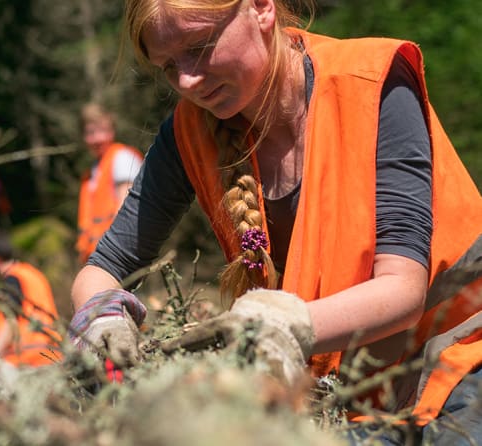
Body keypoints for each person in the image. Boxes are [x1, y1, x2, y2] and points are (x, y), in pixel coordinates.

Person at [68, 0, 482, 443]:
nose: (187, 80)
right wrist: (102, 314)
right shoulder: (189, 133)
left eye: (201, 46)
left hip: (460, 351)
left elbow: (403, 290)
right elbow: (106, 265)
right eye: (168, 66)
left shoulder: (369, 81)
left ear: (262, 9)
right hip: (356, 393)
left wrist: (279, 323)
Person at [0, 225, 62, 396]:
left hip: (24, 361)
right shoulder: (30, 273)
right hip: (50, 357)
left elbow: (11, 322)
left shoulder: (10, 281)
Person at [76, 102, 144, 264]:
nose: (97, 138)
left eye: (102, 130)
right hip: (96, 256)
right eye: (90, 132)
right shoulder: (91, 173)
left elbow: (126, 212)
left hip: (117, 256)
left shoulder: (122, 158)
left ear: (112, 130)